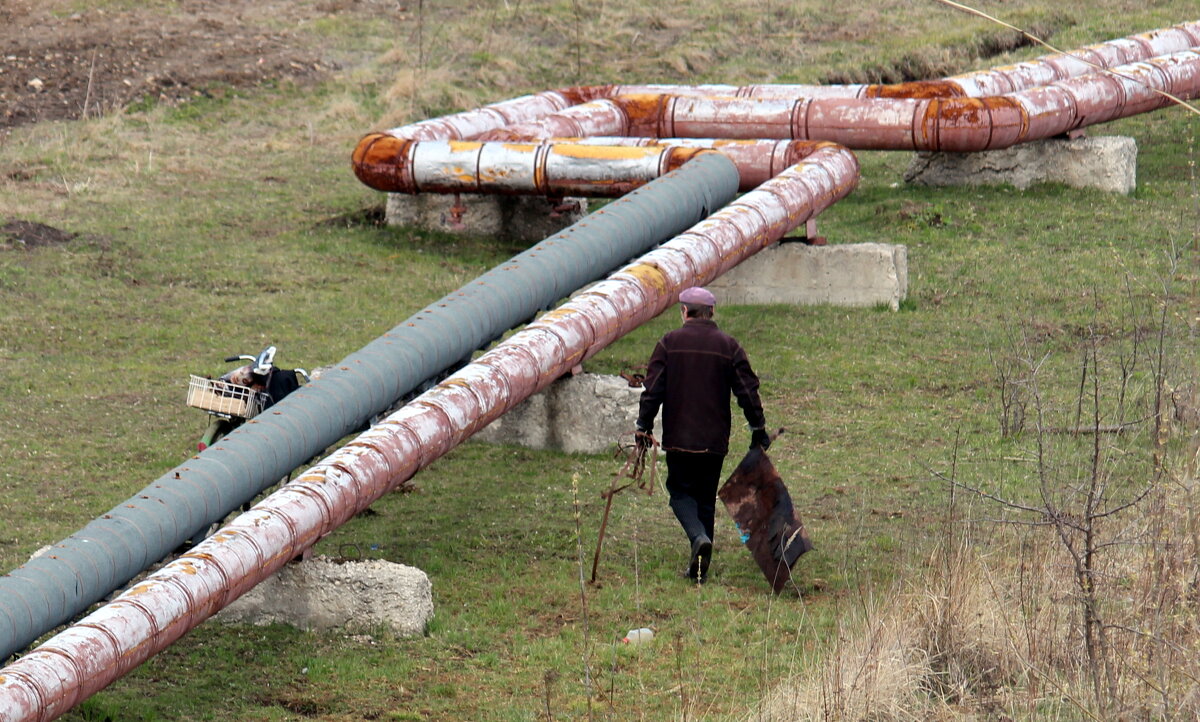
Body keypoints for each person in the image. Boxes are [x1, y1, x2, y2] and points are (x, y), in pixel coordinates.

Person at [635, 286, 770, 584]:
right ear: (712, 312)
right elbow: (747, 390)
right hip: (714, 440)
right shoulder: (728, 345)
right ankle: (699, 572)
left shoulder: (669, 343)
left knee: (680, 494)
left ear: (684, 312)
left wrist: (642, 426)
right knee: (705, 499)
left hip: (679, 438)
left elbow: (652, 390)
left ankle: (698, 537)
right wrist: (757, 427)